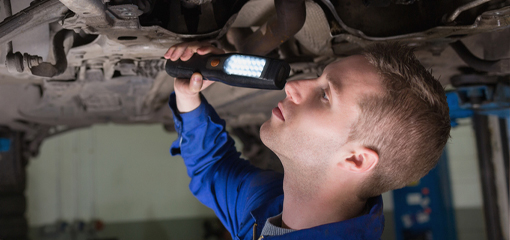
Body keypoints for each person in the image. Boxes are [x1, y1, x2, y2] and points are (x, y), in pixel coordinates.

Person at [164, 41, 451, 240]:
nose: (292, 86)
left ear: (356, 159)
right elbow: (212, 169)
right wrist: (189, 96)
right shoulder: (268, 204)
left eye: (326, 95)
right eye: (319, 79)